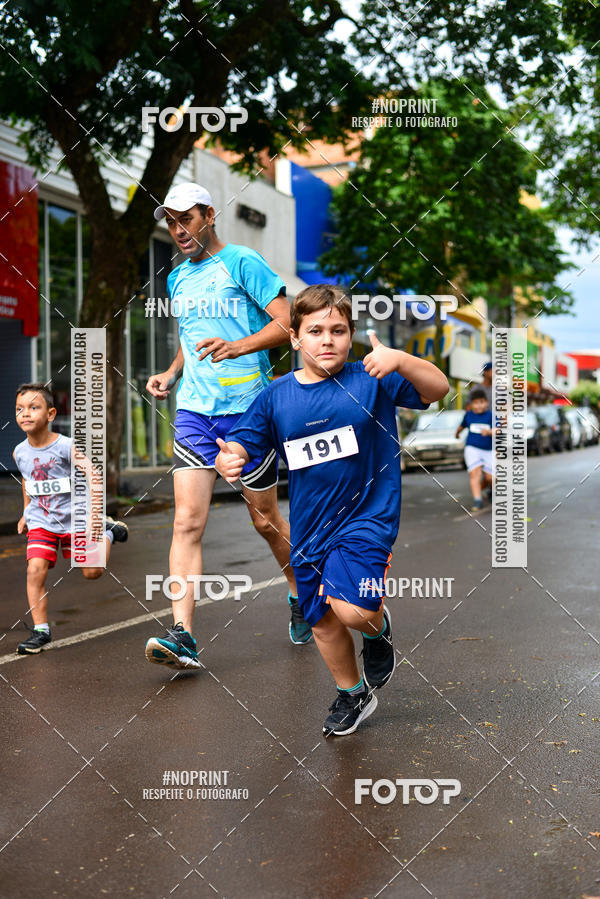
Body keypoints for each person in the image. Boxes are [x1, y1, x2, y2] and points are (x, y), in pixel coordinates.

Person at [215, 285, 449, 736]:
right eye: (316, 330)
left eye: (338, 330)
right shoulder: (275, 396)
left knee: (351, 611)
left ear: (351, 335)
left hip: (368, 515)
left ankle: (376, 628)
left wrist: (401, 360)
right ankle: (353, 693)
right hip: (309, 526)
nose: (328, 340)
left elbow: (436, 388)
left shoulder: (372, 376)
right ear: (295, 338)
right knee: (321, 619)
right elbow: (244, 442)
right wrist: (232, 458)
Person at [145, 182, 311, 671]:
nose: (178, 231)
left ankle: (301, 593)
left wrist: (240, 347)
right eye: (171, 223)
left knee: (264, 521)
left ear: (210, 215)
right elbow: (191, 336)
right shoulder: (177, 278)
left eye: (187, 219)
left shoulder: (243, 262)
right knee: (186, 522)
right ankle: (183, 636)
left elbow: (288, 325)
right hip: (195, 410)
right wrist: (173, 372)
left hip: (248, 412)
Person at [13, 384, 128, 655]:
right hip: (42, 521)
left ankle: (109, 531)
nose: (25, 414)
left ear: (51, 413)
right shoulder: (19, 451)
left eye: (33, 407)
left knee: (92, 572)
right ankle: (41, 631)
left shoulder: (64, 446)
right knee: (34, 570)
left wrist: (94, 517)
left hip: (77, 519)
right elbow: (27, 480)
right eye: (19, 409)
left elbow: (93, 474)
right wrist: (25, 512)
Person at [455, 388, 495, 511]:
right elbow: (462, 426)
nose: (478, 406)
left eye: (481, 402)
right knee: (474, 474)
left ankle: (489, 489)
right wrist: (457, 434)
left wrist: (489, 432)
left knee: (490, 478)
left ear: (486, 403)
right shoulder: (469, 415)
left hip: (489, 450)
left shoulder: (490, 416)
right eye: (476, 403)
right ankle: (478, 500)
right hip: (472, 448)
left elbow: (498, 430)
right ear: (471, 404)